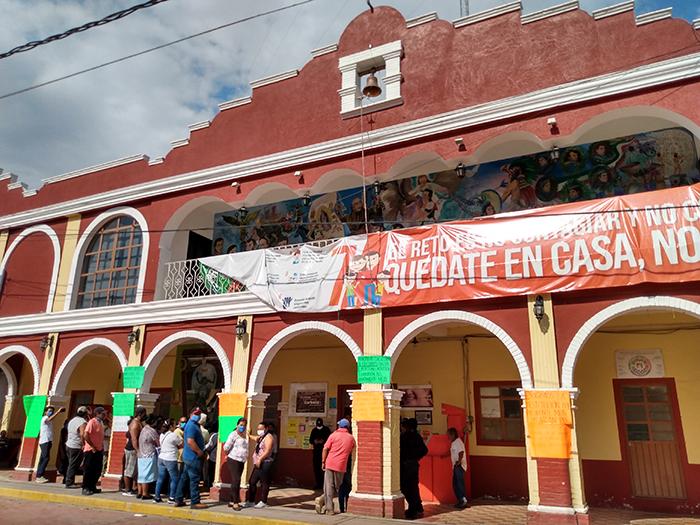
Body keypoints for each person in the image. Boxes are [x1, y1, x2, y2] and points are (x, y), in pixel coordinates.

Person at [314, 418, 355, 516]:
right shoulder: (351, 438)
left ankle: (326, 504)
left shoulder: (333, 435)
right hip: (341, 466)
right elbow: (353, 450)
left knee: (329, 487)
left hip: (330, 463)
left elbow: (325, 448)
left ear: (339, 426)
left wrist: (323, 461)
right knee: (336, 487)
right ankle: (328, 507)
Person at [174, 409, 208, 510]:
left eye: (199, 414)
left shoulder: (192, 425)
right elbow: (190, 441)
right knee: (194, 479)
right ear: (191, 414)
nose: (197, 416)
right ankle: (195, 501)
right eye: (195, 414)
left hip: (188, 457)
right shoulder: (192, 426)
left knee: (184, 478)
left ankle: (178, 499)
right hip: (193, 457)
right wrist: (199, 452)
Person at [400, 418, 428, 520]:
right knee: (414, 488)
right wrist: (416, 458)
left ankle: (413, 510)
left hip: (405, 466)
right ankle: (418, 508)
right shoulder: (417, 436)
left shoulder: (404, 437)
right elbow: (424, 450)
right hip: (414, 465)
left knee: (406, 488)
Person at [244, 422, 275, 509]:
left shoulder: (269, 437)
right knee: (252, 481)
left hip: (265, 462)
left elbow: (268, 450)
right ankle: (251, 501)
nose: (259, 430)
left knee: (264, 482)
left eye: (261, 429)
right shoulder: (262, 437)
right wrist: (249, 434)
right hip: (258, 462)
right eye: (258, 429)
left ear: (266, 428)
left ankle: (263, 501)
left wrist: (260, 459)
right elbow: (255, 438)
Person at [223, 418, 248, 511]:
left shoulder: (244, 435)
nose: (242, 427)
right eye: (241, 425)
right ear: (237, 425)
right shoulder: (233, 434)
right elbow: (226, 447)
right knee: (236, 480)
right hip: (234, 459)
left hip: (241, 460)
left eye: (244, 425)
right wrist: (228, 455)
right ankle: (235, 502)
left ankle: (231, 500)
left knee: (236, 480)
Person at [154, 418, 182, 504]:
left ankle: (157, 496)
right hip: (170, 458)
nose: (175, 426)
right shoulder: (173, 435)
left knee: (160, 478)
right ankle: (172, 497)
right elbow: (181, 444)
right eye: (174, 425)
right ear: (171, 426)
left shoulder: (162, 435)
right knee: (174, 479)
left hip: (161, 457)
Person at [35, 405, 65, 483]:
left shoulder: (49, 420)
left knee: (43, 458)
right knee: (46, 458)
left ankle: (39, 475)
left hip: (47, 441)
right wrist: (58, 412)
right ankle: (40, 475)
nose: (50, 412)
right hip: (45, 441)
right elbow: (49, 419)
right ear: (45, 412)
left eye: (52, 411)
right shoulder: (45, 418)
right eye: (49, 411)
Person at [81, 406, 106, 496]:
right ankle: (85, 487)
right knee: (89, 470)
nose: (104, 415)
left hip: (99, 449)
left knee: (97, 470)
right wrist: (92, 446)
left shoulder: (101, 423)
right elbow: (85, 434)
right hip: (91, 450)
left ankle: (92, 486)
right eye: (103, 413)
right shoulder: (92, 422)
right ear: (97, 414)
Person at [123, 405, 146, 496]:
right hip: (132, 449)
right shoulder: (135, 424)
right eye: (144, 413)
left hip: (135, 449)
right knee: (129, 470)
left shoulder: (139, 422)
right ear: (140, 414)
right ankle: (127, 489)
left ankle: (134, 487)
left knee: (135, 470)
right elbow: (134, 439)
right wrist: (137, 450)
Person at [64, 406, 88, 488]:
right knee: (73, 464)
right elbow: (82, 434)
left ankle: (67, 480)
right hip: (76, 445)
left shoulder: (72, 420)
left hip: (69, 444)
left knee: (71, 463)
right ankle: (69, 482)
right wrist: (83, 444)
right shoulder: (82, 422)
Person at [137, 414, 159, 499]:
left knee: (141, 474)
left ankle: (140, 492)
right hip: (149, 455)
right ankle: (145, 493)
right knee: (146, 475)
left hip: (141, 454)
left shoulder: (143, 429)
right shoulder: (151, 431)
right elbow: (158, 442)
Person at [447, 428, 469, 509]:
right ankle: (460, 500)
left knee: (459, 484)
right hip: (456, 466)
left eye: (448, 435)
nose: (447, 437)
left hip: (459, 466)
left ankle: (463, 500)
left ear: (453, 434)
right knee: (455, 484)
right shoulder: (454, 442)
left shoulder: (458, 442)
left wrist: (459, 461)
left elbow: (461, 452)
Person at [309, 418, 331, 490]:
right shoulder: (314, 430)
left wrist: (323, 441)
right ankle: (318, 484)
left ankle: (325, 484)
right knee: (316, 469)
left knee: (325, 469)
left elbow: (329, 440)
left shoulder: (326, 430)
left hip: (325, 452)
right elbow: (311, 440)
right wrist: (315, 441)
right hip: (316, 453)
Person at [204, 424, 218, 490]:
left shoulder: (214, 436)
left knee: (210, 473)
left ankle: (208, 485)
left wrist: (204, 449)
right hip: (216, 458)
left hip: (212, 457)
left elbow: (209, 446)